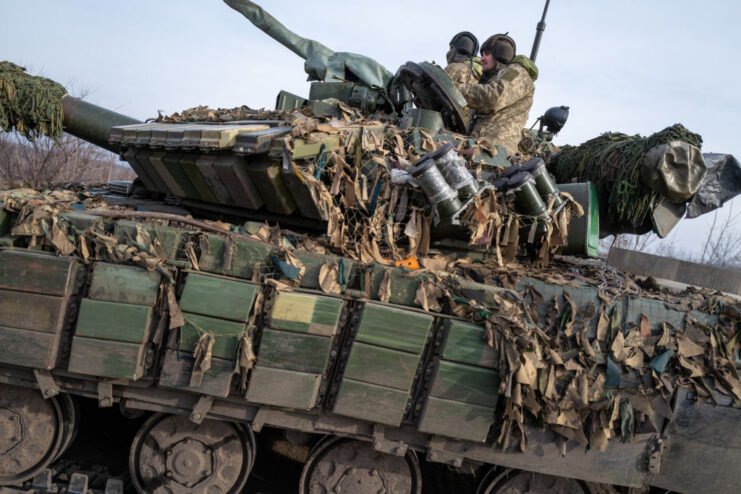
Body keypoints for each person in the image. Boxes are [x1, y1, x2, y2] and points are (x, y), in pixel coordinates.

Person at [457, 34, 536, 155]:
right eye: (482, 54)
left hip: (496, 151)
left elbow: (494, 97)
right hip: (479, 147)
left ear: (501, 56)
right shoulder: (493, 79)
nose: (482, 59)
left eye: (487, 54)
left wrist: (455, 89)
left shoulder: (517, 72)